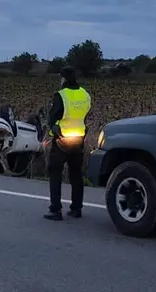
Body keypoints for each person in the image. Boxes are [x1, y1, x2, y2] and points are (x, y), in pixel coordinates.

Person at [43, 66, 92, 221]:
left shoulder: (61, 95)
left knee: (55, 173)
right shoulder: (85, 94)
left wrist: (52, 129)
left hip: (62, 141)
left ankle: (55, 210)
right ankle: (76, 209)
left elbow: (52, 118)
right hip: (79, 140)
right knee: (76, 174)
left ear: (63, 78)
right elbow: (85, 115)